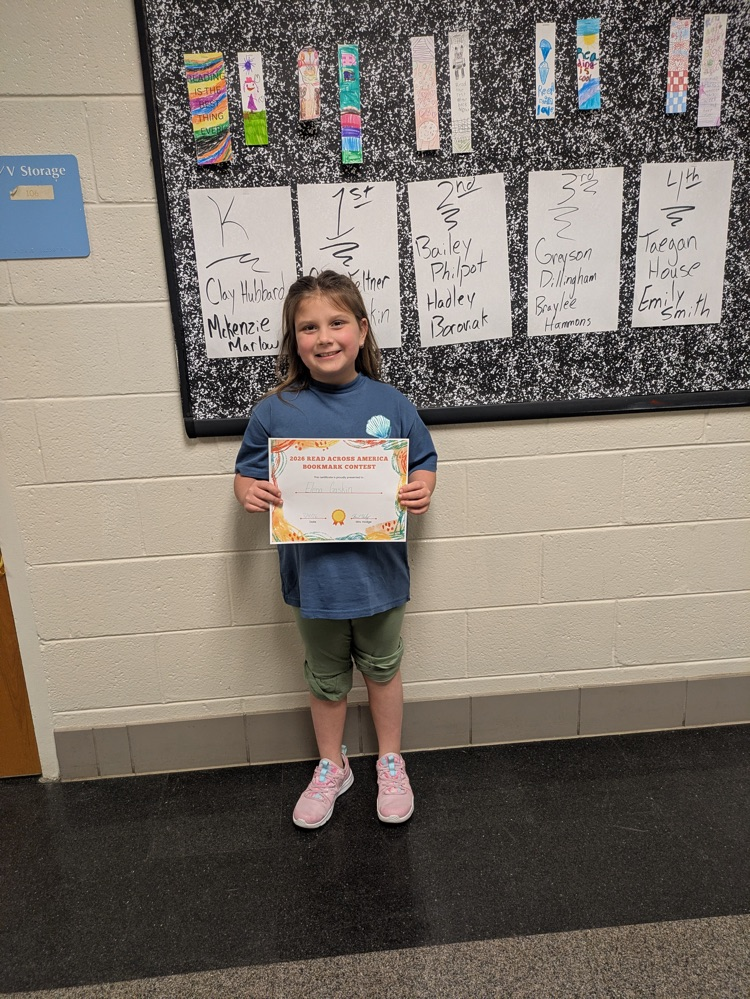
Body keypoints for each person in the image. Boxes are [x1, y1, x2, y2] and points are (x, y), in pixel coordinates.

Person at [234, 270, 437, 829]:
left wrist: (424, 485)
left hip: (379, 576)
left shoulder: (391, 403)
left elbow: (424, 460)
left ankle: (390, 761)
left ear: (362, 330)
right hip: (315, 581)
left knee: (383, 667)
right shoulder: (276, 410)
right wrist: (249, 490)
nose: (323, 337)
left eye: (337, 322)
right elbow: (245, 471)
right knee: (325, 677)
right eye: (308, 327)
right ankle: (333, 765)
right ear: (293, 338)